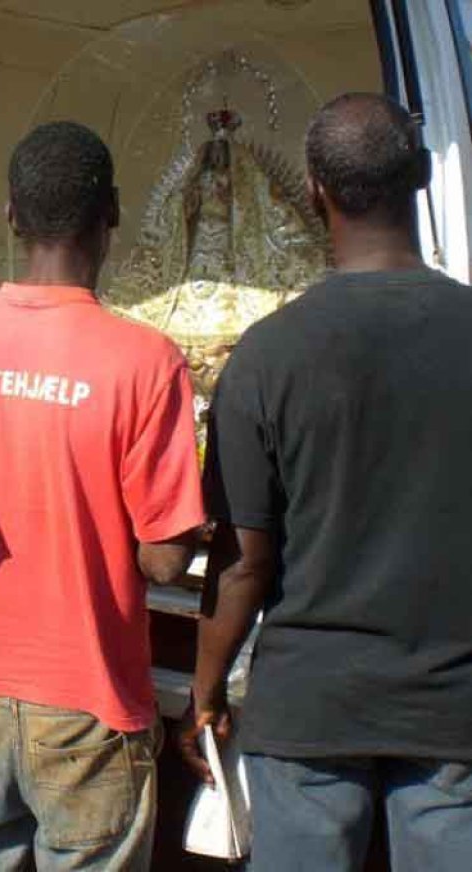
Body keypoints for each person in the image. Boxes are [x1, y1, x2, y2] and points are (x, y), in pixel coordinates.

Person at [180, 93, 472, 871]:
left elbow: (244, 564)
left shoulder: (266, 356)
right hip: (455, 710)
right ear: (422, 173)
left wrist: (205, 691)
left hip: (309, 708)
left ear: (313, 189)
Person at [0, 121, 205, 870]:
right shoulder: (145, 361)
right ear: (112, 212)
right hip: (90, 699)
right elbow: (166, 560)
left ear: (11, 213)